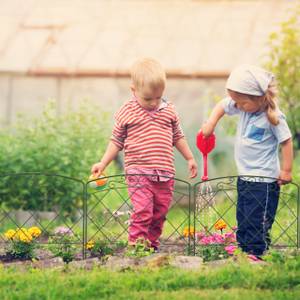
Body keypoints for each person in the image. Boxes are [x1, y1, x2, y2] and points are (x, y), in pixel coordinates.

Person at [91, 58, 197, 250]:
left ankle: (151, 244)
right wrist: (103, 163)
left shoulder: (169, 111)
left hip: (165, 173)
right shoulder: (127, 111)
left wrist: (189, 157)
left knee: (160, 212)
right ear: (134, 90)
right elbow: (116, 140)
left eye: (158, 97)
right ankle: (136, 245)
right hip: (138, 171)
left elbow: (178, 136)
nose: (154, 103)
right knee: (143, 210)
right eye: (148, 99)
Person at [201, 64, 293, 258]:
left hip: (264, 181)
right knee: (243, 216)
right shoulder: (244, 106)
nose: (237, 106)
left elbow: (286, 141)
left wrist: (286, 170)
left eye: (241, 102)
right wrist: (210, 123)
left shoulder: (274, 117)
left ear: (259, 97)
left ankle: (255, 254)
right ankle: (245, 251)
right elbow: (221, 106)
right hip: (245, 177)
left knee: (256, 219)